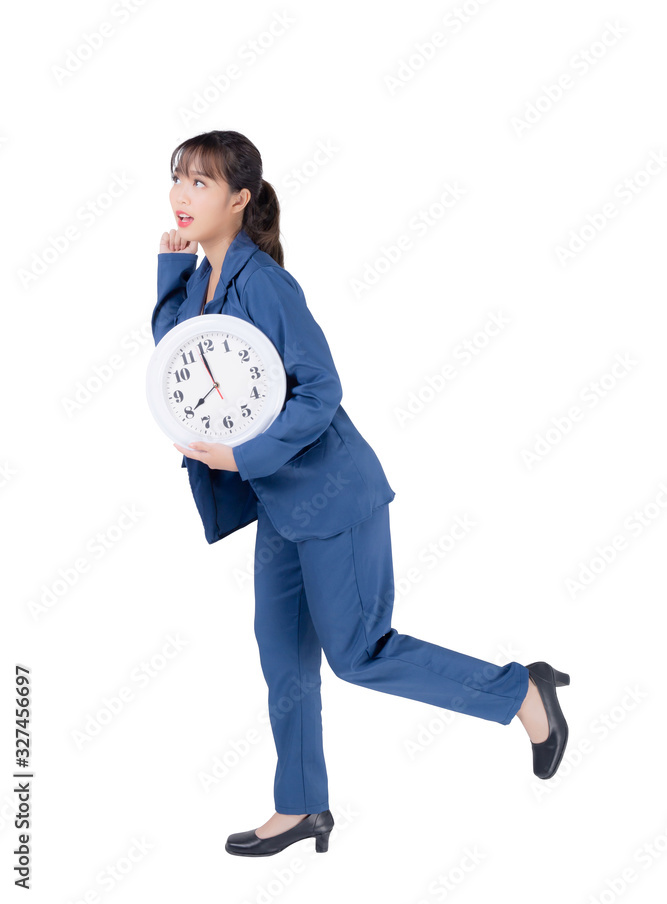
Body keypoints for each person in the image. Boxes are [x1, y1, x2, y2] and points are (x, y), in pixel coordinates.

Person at [150, 129, 571, 858]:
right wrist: (169, 266)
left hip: (333, 495)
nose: (182, 194)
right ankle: (301, 807)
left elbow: (320, 390)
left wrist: (244, 454)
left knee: (359, 654)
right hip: (279, 501)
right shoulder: (201, 279)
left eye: (200, 182)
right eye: (178, 178)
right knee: (284, 661)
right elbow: (173, 353)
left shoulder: (265, 283)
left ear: (240, 199)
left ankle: (521, 692)